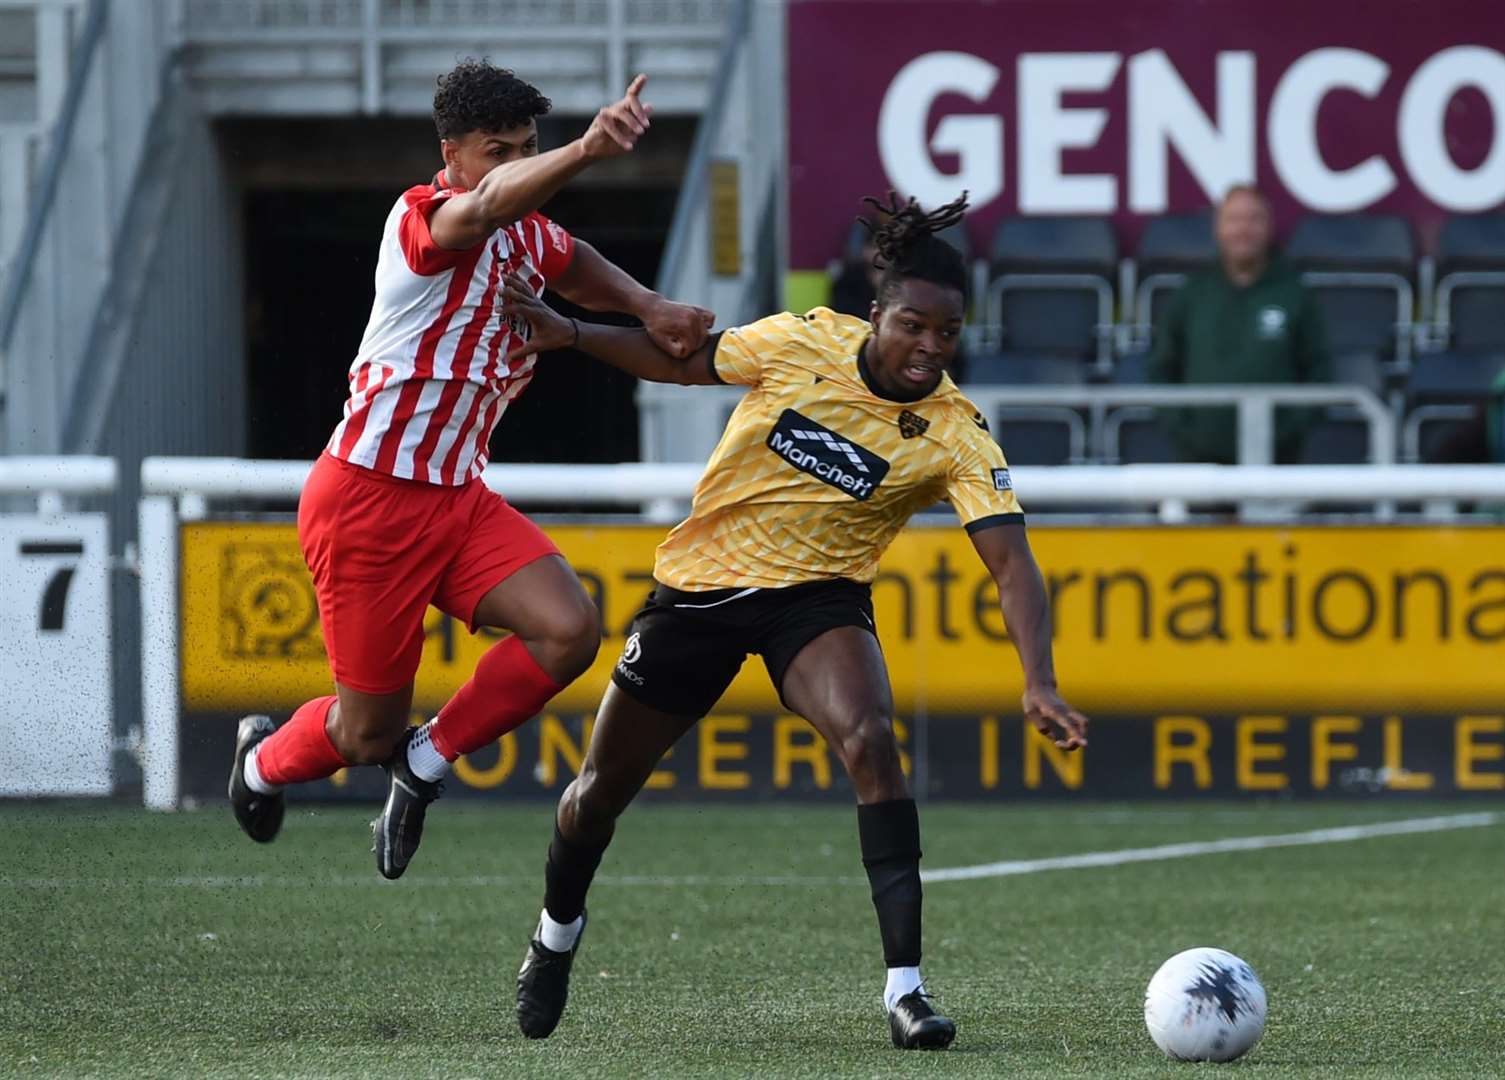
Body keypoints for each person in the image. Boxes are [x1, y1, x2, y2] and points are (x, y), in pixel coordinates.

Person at [497, 192, 1089, 1050]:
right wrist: (577, 334)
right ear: (875, 313)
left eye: (947, 332)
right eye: (913, 325)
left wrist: (1037, 679)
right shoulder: (800, 340)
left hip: (815, 601)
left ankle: (906, 992)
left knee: (871, 740)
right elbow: (686, 363)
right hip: (697, 593)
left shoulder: (956, 433)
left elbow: (1011, 563)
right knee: (596, 796)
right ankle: (553, 938)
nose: (929, 347)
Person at [226, 60, 713, 882]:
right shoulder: (425, 217)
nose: (514, 164)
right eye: (498, 150)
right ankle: (260, 765)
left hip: (456, 497)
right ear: (450, 153)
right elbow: (486, 207)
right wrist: (591, 148)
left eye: (528, 147)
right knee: (362, 735)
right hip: (368, 502)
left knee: (569, 632)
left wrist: (649, 307)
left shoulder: (523, 225)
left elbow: (569, 255)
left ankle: (426, 762)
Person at [1147, 185, 1331, 464]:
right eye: (1233, 219)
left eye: (1253, 219)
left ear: (1269, 227)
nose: (1243, 229)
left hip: (1277, 462)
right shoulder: (1192, 293)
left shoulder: (1294, 294)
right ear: (1217, 228)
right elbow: (1161, 370)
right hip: (1199, 464)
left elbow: (1320, 372)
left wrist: (1286, 433)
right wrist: (1187, 432)